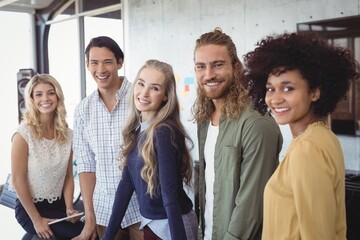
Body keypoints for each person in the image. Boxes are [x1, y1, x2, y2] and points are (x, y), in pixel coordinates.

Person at [243, 31, 359, 239]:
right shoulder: (323, 137)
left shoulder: (307, 149)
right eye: (270, 89)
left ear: (315, 92)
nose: (275, 99)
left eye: (288, 88)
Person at [192, 28, 283, 240]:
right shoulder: (205, 119)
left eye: (218, 65)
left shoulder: (256, 124)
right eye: (201, 67)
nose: (209, 75)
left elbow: (250, 209)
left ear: (236, 67)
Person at [103, 59, 198, 240]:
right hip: (152, 224)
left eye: (154, 88)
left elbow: (169, 195)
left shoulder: (163, 132)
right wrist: (107, 236)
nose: (144, 93)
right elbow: (126, 185)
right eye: (141, 84)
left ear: (165, 96)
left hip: (171, 226)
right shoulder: (138, 129)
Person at [72, 36, 142, 240]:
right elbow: (86, 166)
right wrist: (90, 218)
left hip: (141, 207)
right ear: (87, 65)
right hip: (104, 209)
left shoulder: (140, 98)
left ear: (120, 62)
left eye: (108, 62)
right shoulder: (83, 110)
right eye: (94, 62)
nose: (100, 69)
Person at [11, 74, 84, 239]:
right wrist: (37, 220)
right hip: (30, 210)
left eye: (51, 93)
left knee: (89, 234)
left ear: (58, 96)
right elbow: (17, 179)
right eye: (39, 94)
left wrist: (69, 208)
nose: (45, 98)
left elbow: (67, 177)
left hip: (58, 206)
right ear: (31, 99)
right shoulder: (23, 134)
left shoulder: (69, 136)